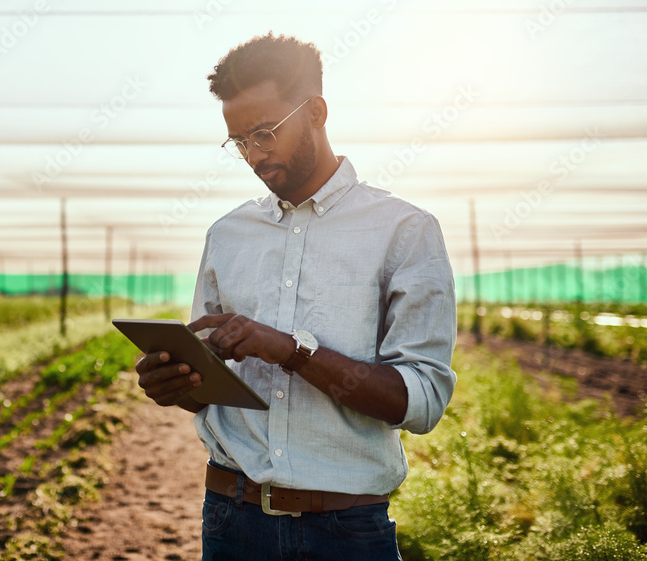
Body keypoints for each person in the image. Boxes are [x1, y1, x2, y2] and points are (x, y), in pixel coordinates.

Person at [135, 32, 457, 560]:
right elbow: (210, 387)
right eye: (238, 141)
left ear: (316, 111)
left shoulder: (404, 231)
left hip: (347, 532)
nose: (253, 156)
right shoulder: (227, 235)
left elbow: (420, 402)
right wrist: (175, 383)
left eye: (264, 133)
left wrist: (290, 350)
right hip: (230, 519)